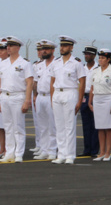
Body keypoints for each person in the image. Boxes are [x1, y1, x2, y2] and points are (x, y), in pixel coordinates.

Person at [0, 36, 33, 163]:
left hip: (18, 96)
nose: (8, 48)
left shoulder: (25, 63)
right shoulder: (2, 64)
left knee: (18, 127)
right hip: (5, 96)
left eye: (11, 46)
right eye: (7, 46)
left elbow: (29, 82)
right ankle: (9, 153)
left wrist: (27, 100)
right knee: (8, 127)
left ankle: (19, 153)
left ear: (18, 47)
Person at [50, 35, 86, 165]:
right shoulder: (56, 63)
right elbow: (52, 80)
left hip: (70, 92)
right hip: (57, 93)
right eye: (61, 45)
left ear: (71, 47)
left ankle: (70, 155)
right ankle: (61, 154)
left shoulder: (76, 63)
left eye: (65, 46)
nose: (62, 48)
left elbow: (82, 81)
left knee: (69, 126)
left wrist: (79, 100)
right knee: (59, 126)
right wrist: (51, 97)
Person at [88, 48, 111, 162]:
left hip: (108, 98)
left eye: (103, 58)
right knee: (100, 127)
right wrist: (90, 101)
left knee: (108, 126)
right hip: (97, 99)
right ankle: (101, 152)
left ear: (108, 59)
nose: (100, 60)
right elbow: (92, 87)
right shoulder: (95, 71)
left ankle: (108, 152)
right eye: (99, 57)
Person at [33, 39, 57, 160]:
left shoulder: (57, 64)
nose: (44, 51)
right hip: (40, 96)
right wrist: (34, 96)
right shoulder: (39, 65)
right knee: (42, 125)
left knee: (52, 125)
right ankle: (44, 149)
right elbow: (35, 82)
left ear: (53, 50)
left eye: (47, 49)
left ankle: (52, 150)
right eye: (43, 49)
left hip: (50, 96)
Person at [79, 45, 100, 157]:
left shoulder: (98, 67)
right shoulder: (82, 67)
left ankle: (94, 150)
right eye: (85, 54)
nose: (86, 56)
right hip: (84, 96)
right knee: (86, 125)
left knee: (95, 124)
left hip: (95, 97)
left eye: (88, 54)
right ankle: (86, 149)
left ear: (94, 55)